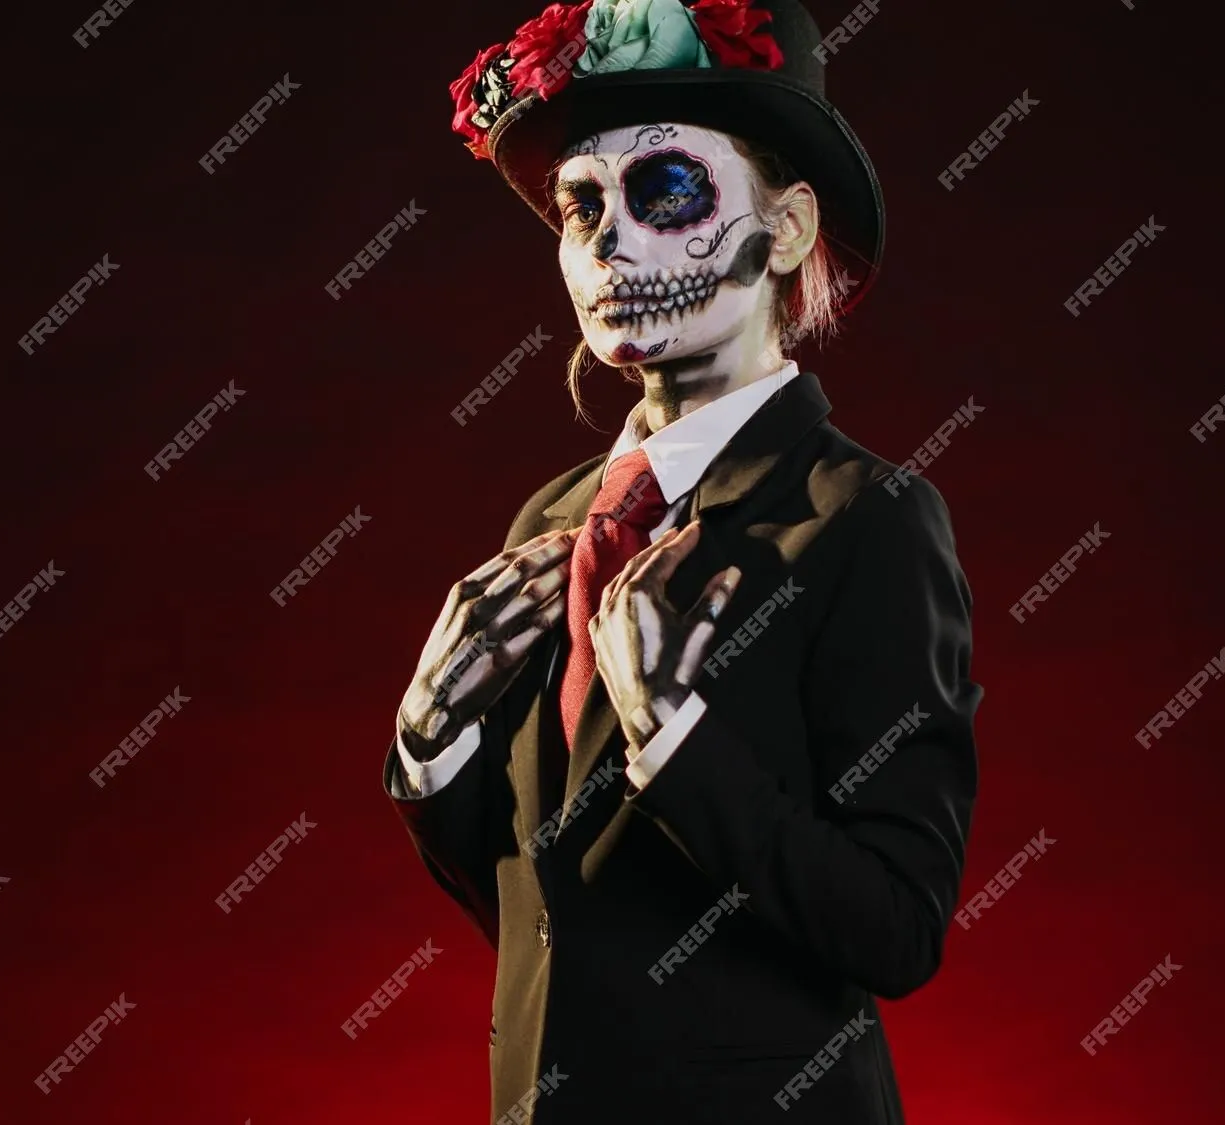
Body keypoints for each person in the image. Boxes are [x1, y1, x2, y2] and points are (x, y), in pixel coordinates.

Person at [382, 1, 982, 1120]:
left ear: (788, 229)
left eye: (666, 192)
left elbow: (894, 927)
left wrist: (673, 734)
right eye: (580, 206)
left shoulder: (867, 518)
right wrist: (429, 746)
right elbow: (542, 898)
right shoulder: (550, 518)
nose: (611, 241)